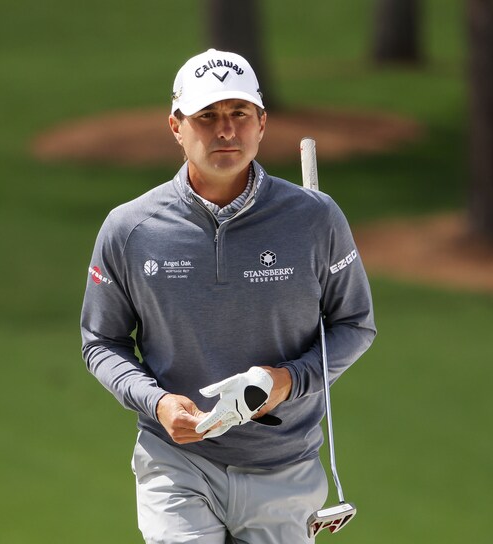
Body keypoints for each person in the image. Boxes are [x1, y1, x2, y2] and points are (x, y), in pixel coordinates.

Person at [80, 48, 376, 543]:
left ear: (262, 123)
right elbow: (101, 342)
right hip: (178, 463)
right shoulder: (130, 229)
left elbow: (354, 325)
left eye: (239, 114)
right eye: (207, 116)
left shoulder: (315, 218)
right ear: (176, 126)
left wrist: (287, 381)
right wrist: (157, 404)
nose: (225, 130)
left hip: (285, 467)